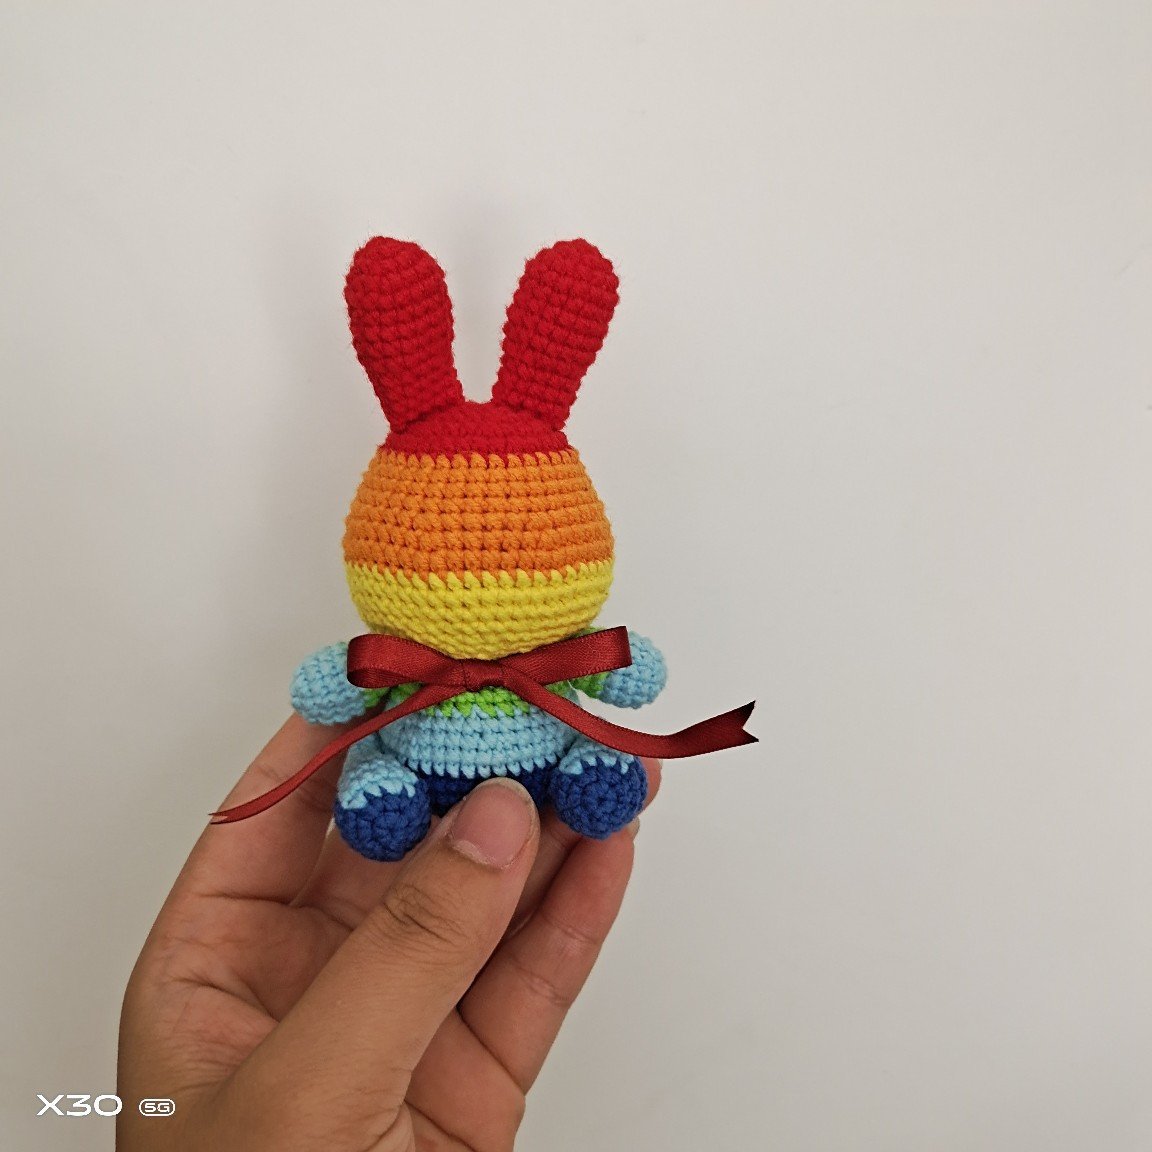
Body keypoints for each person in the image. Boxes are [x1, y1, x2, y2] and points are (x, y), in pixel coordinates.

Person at [117, 714, 659, 1150]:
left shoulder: (557, 656)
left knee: (597, 782)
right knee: (376, 789)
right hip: (410, 758)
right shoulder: (395, 666)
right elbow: (333, 688)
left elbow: (623, 667)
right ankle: (388, 796)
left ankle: (588, 776)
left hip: (547, 739)